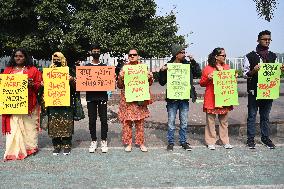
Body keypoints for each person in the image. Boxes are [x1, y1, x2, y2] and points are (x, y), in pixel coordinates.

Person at [243, 30, 284, 149]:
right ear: (258, 40)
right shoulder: (250, 56)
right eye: (264, 39)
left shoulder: (273, 56)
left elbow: (276, 74)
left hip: (268, 91)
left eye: (269, 39)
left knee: (265, 116)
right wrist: (253, 70)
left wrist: (281, 70)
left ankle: (265, 138)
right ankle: (250, 139)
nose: (267, 41)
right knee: (252, 115)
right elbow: (245, 74)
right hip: (254, 91)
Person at [2, 48, 42, 161]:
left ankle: (30, 148)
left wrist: (32, 84)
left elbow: (39, 85)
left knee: (29, 127)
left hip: (29, 104)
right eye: (16, 56)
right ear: (13, 57)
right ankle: (14, 151)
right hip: (13, 105)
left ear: (25, 57)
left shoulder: (33, 70)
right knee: (15, 127)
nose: (18, 58)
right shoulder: (8, 70)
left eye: (21, 56)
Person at [158, 44, 198, 151]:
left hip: (184, 98)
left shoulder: (188, 64)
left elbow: (198, 73)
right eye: (182, 52)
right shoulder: (169, 65)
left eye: (184, 52)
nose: (184, 54)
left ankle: (183, 141)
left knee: (184, 122)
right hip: (172, 99)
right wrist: (162, 71)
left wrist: (193, 61)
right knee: (171, 122)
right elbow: (162, 82)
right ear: (176, 54)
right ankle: (170, 142)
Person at [117, 49, 153, 152]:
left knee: (140, 122)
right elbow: (119, 86)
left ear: (138, 56)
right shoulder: (124, 68)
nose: (132, 56)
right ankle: (128, 143)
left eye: (134, 55)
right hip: (127, 100)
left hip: (139, 99)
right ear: (128, 57)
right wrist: (120, 78)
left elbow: (149, 83)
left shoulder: (143, 68)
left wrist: (150, 77)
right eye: (130, 55)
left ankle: (141, 143)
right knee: (127, 122)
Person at [200, 47, 234, 150]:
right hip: (211, 98)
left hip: (224, 98)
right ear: (216, 56)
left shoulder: (227, 67)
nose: (225, 57)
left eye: (225, 55)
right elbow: (202, 83)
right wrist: (208, 78)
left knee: (224, 121)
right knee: (210, 121)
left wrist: (233, 78)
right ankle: (211, 141)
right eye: (223, 55)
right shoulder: (208, 68)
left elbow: (231, 82)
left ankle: (225, 140)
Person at [45, 52, 76, 155]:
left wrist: (71, 80)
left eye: (58, 58)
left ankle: (67, 144)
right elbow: (44, 86)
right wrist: (43, 84)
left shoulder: (69, 70)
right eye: (54, 58)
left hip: (66, 102)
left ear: (62, 58)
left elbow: (77, 87)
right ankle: (56, 145)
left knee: (66, 123)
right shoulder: (49, 71)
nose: (56, 60)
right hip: (53, 102)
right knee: (53, 123)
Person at [85, 44, 109, 153]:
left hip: (102, 97)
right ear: (91, 52)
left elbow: (110, 82)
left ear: (100, 53)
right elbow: (82, 82)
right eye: (94, 51)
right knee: (92, 120)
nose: (95, 53)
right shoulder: (86, 68)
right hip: (91, 97)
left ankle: (104, 140)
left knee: (104, 120)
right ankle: (93, 140)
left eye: (97, 51)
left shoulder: (105, 67)